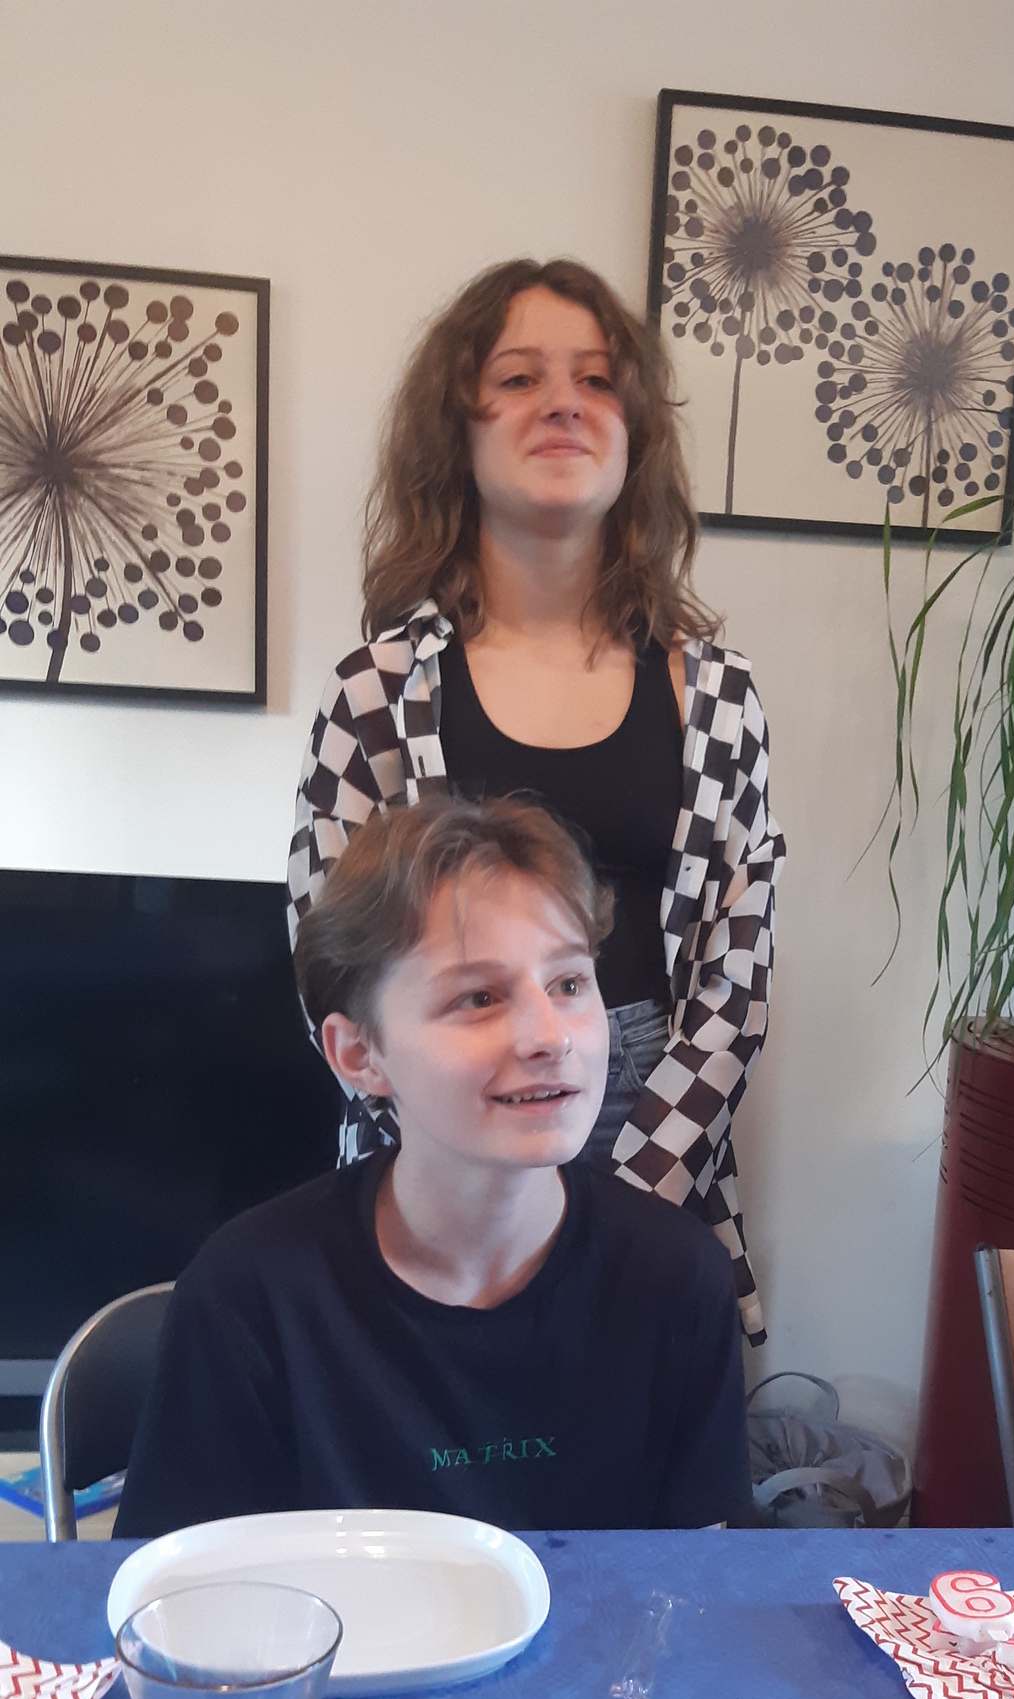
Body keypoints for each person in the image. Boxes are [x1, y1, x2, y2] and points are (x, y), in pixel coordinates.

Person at [289, 256, 784, 1342]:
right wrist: (459, 1176)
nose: (564, 401)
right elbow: (331, 960)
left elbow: (736, 983)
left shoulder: (716, 693)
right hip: (433, 1147)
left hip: (658, 1128)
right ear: (455, 432)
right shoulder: (376, 693)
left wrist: (621, 1208)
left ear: (634, 434)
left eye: (598, 380)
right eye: (518, 378)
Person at [114, 796, 752, 1540]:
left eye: (570, 984)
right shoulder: (249, 1297)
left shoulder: (677, 1278)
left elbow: (699, 1578)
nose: (552, 1037)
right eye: (479, 998)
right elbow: (184, 1588)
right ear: (360, 1054)